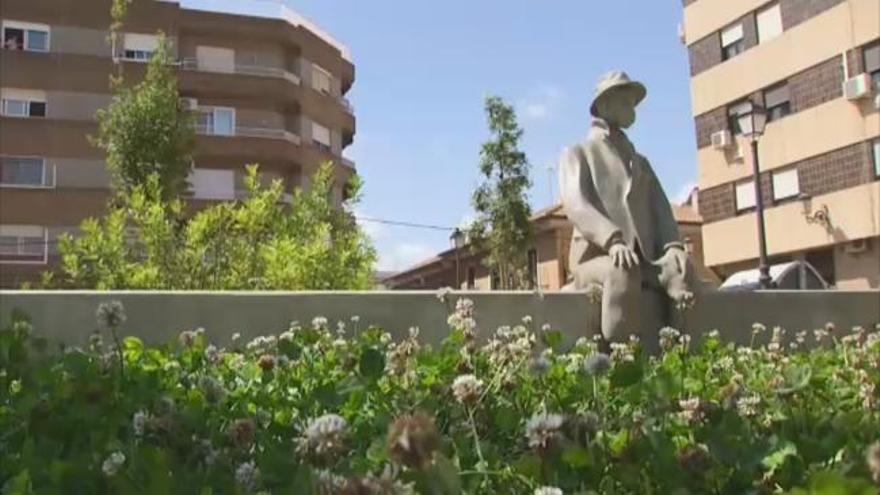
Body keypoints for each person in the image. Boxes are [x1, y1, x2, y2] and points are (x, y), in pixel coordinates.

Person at [559, 71, 694, 342]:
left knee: (681, 270)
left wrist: (673, 246)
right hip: (596, 258)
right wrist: (612, 240)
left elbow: (660, 207)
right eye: (625, 102)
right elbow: (576, 204)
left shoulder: (639, 161)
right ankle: (621, 356)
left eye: (633, 103)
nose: (632, 109)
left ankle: (682, 356)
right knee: (621, 271)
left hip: (645, 258)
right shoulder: (579, 153)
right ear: (605, 105)